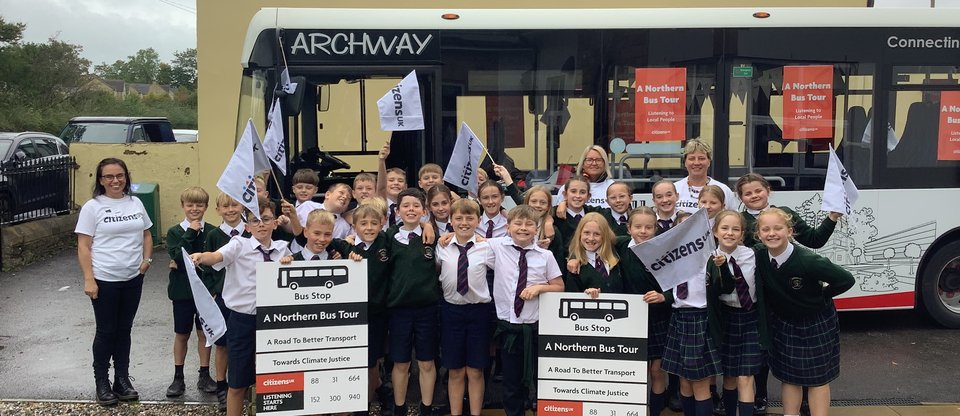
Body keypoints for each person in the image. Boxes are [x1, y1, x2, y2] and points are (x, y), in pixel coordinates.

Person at [189, 197, 292, 416]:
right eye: (255, 220)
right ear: (246, 226)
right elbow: (217, 256)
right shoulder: (239, 245)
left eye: (266, 219)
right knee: (237, 383)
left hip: (274, 323)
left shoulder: (284, 249)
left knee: (274, 380)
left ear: (275, 223)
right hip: (242, 320)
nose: (261, 224)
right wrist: (201, 257)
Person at [753, 208, 854, 416]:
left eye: (778, 228)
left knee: (817, 378)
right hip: (784, 323)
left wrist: (822, 296)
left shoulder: (808, 260)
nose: (772, 233)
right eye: (766, 229)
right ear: (759, 234)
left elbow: (846, 279)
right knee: (789, 376)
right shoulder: (759, 255)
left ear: (790, 231)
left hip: (815, 322)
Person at [76, 157, 153, 407]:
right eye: (109, 176)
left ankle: (122, 380)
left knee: (124, 330)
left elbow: (147, 233)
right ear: (100, 180)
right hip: (104, 279)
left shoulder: (136, 202)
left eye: (119, 175)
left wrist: (147, 260)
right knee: (106, 331)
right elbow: (84, 246)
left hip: (132, 278)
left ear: (126, 177)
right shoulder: (92, 207)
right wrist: (89, 279)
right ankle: (102, 383)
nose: (115, 180)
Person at [484, 205, 565, 416]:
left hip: (536, 328)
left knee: (541, 380)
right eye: (518, 223)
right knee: (511, 383)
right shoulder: (496, 246)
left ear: (537, 228)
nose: (523, 228)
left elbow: (559, 286)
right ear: (508, 227)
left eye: (529, 224)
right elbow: (469, 239)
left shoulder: (545, 256)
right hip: (510, 328)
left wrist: (539, 288)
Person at [385, 188, 442, 416]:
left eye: (416, 206)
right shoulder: (388, 237)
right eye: (406, 206)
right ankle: (400, 408)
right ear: (397, 211)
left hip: (427, 310)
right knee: (401, 364)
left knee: (426, 363)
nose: (411, 209)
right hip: (399, 310)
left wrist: (430, 227)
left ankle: (425, 408)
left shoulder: (433, 236)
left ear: (424, 211)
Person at [435, 198, 493, 416]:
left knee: (475, 370)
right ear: (451, 220)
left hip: (478, 313)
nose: (464, 222)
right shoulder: (442, 247)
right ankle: (456, 412)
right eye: (458, 218)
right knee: (455, 370)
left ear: (478, 220)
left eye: (470, 218)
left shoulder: (487, 248)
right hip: (452, 312)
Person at [339, 201, 393, 413]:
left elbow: (407, 232)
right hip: (352, 316)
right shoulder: (345, 247)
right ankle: (367, 394)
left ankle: (366, 403)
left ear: (381, 224)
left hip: (378, 314)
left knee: (371, 361)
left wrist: (426, 226)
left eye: (374, 223)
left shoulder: (386, 242)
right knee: (354, 360)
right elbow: (314, 241)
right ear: (354, 225)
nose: (369, 227)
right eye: (363, 223)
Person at [164, 186, 218, 398]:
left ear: (206, 206)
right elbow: (178, 257)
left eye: (199, 205)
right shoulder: (175, 232)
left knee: (204, 333)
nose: (195, 208)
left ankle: (204, 374)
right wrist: (191, 232)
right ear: (183, 206)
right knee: (182, 333)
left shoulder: (213, 231)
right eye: (190, 204)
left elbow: (216, 262)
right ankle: (178, 376)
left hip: (205, 292)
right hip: (182, 292)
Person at [711, 210, 762, 416]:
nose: (729, 233)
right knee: (730, 376)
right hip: (726, 317)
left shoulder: (753, 254)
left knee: (745, 376)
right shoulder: (710, 258)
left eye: (735, 229)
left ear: (742, 234)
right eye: (724, 228)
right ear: (715, 232)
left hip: (750, 316)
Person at [202, 192, 246, 411]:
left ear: (242, 207)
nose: (230, 210)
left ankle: (245, 386)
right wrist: (213, 291)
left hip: (245, 298)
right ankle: (222, 386)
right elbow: (208, 267)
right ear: (218, 210)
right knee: (222, 344)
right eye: (225, 206)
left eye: (234, 205)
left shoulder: (251, 232)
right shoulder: (213, 235)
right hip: (222, 299)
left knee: (245, 344)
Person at [735, 173, 840, 248]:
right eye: (748, 194)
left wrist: (832, 217)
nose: (754, 196)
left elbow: (814, 240)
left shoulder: (785, 213)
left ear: (768, 190)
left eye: (758, 191)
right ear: (740, 198)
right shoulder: (738, 220)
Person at [565, 212, 624, 294]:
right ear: (579, 234)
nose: (591, 238)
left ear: (604, 236)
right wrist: (584, 295)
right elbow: (570, 297)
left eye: (597, 234)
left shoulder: (617, 256)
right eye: (586, 233)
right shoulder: (574, 267)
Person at [674, 139, 737, 214]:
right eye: (691, 158)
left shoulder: (724, 190)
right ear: (685, 162)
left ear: (709, 162)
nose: (696, 163)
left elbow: (734, 218)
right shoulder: (674, 189)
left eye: (701, 158)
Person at [377, 141, 409, 227]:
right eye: (391, 180)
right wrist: (381, 161)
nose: (396, 183)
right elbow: (381, 188)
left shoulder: (409, 206)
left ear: (406, 187)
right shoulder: (379, 203)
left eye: (400, 181)